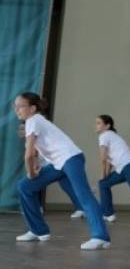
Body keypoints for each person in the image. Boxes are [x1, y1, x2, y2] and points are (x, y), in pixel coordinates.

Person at [14, 93, 111, 249]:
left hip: (71, 158)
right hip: (58, 164)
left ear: (32, 109)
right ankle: (38, 230)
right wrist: (36, 165)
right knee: (24, 186)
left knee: (83, 195)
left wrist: (31, 173)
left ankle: (100, 237)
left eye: (21, 106)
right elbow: (36, 153)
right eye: (15, 106)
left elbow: (28, 155)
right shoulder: (34, 122)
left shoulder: (33, 120)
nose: (17, 109)